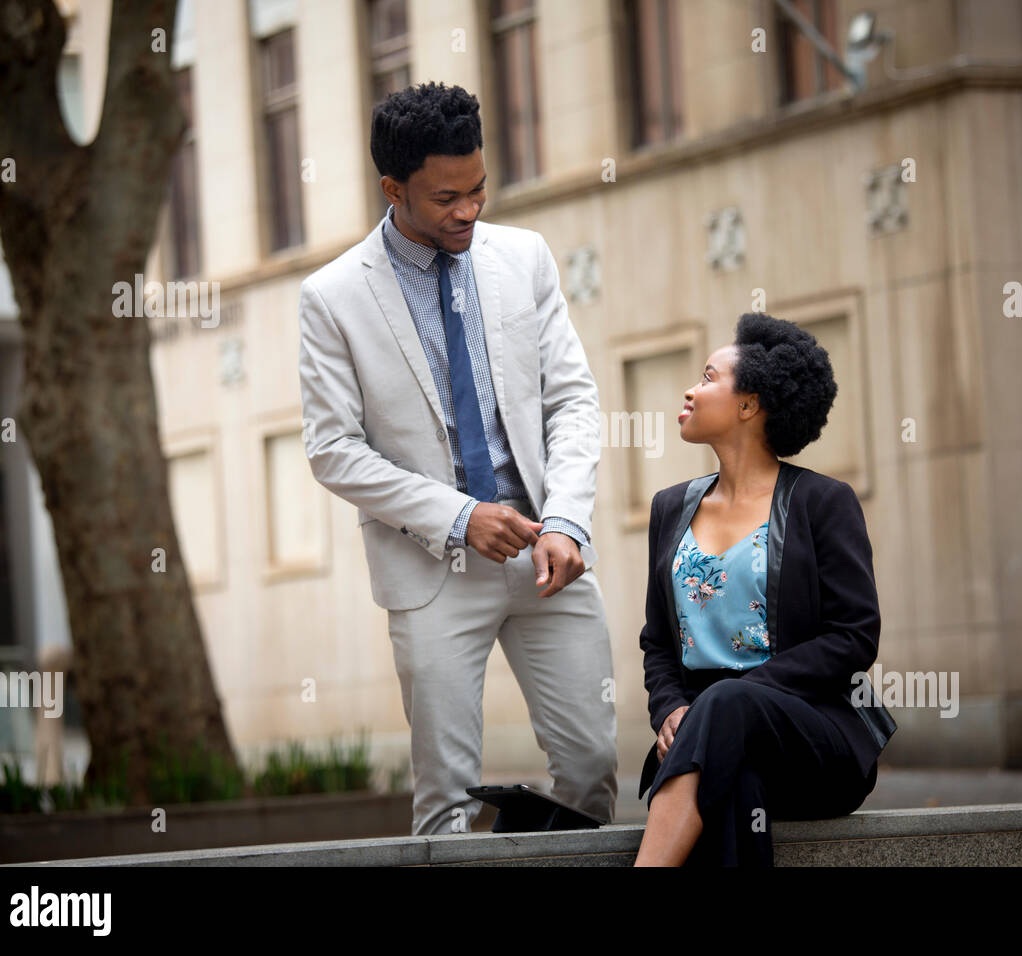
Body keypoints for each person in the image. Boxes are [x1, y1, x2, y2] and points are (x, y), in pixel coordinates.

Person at [297, 82, 617, 835]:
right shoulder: (332, 297)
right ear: (393, 188)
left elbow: (571, 399)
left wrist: (567, 519)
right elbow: (332, 449)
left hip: (548, 555)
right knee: (445, 799)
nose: (469, 210)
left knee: (592, 766)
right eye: (446, 198)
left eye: (478, 188)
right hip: (431, 571)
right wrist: (460, 515)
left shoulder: (524, 258)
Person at [633, 313, 897, 866]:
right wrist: (671, 709)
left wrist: (743, 695)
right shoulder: (669, 509)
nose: (689, 388)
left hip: (815, 736)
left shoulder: (822, 503)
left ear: (749, 405)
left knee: (730, 708)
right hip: (712, 740)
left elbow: (853, 637)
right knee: (736, 774)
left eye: (707, 377)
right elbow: (658, 642)